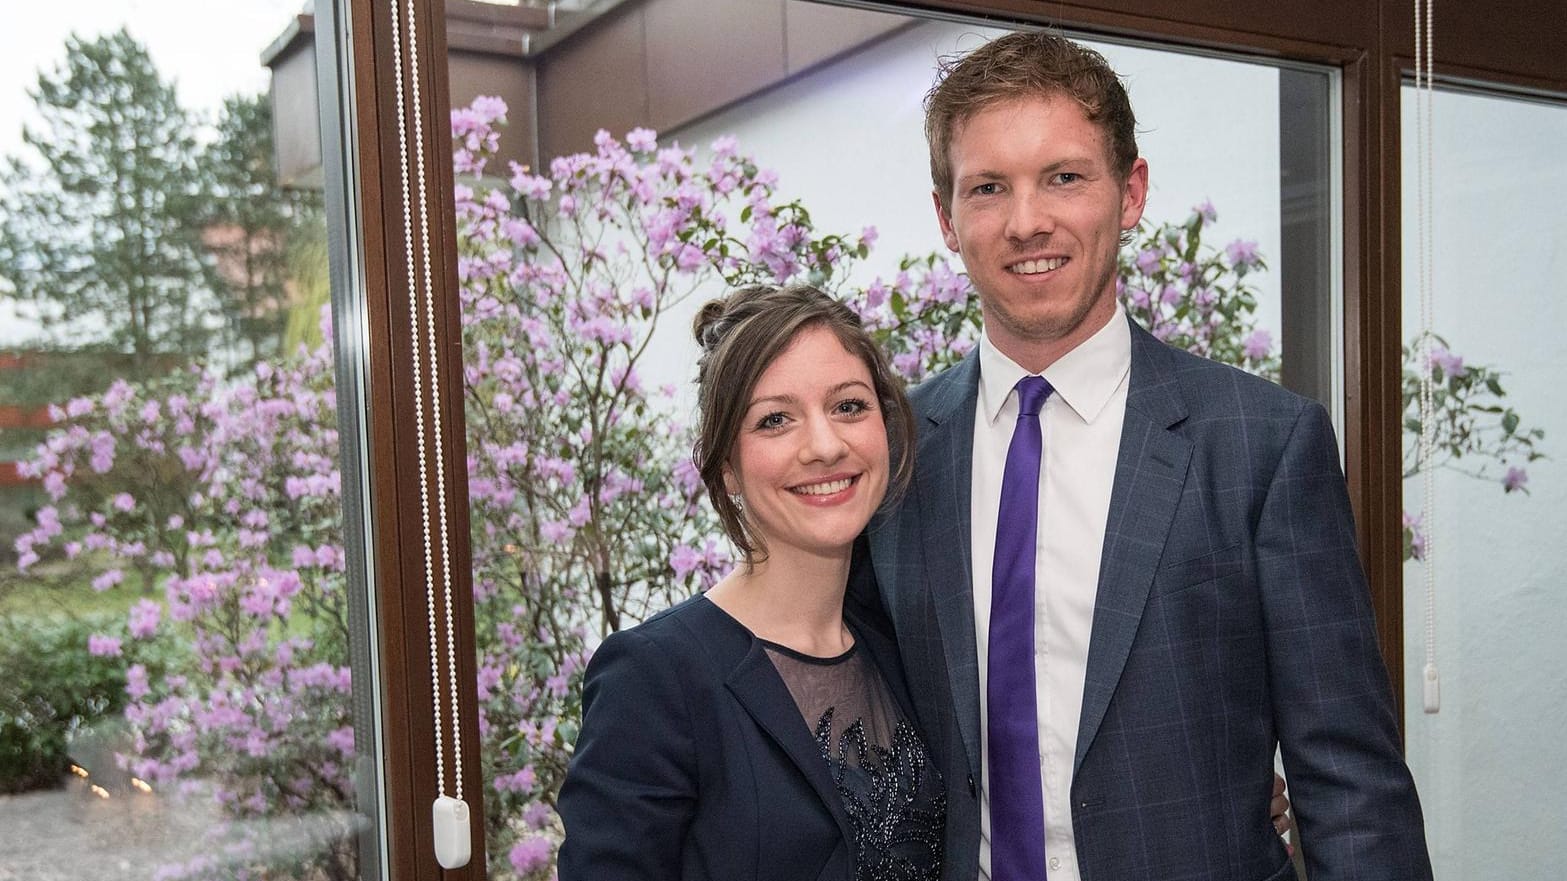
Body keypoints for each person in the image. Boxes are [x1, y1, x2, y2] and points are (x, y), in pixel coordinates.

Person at [854, 29, 1433, 881]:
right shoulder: (894, 454)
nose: (1026, 222)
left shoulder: (1260, 444)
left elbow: (1349, 785)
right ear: (947, 218)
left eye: (1063, 177)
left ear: (1129, 193)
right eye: (987, 187)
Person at [557, 283, 946, 880]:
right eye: (775, 420)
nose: (824, 445)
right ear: (726, 467)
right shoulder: (655, 678)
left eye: (848, 406)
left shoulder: (898, 647)